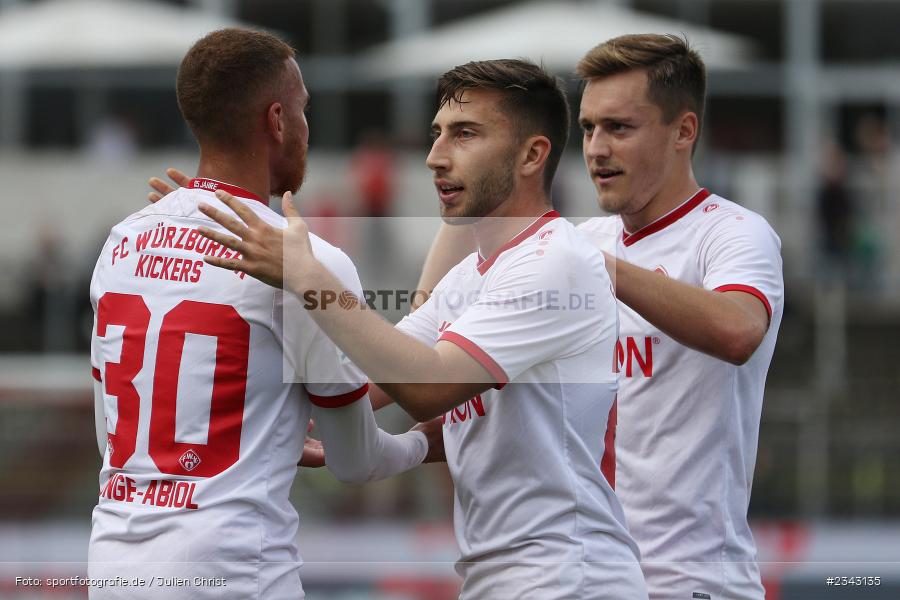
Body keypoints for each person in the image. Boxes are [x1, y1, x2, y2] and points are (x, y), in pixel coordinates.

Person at [195, 59, 647, 599]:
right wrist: (193, 245)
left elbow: (428, 386)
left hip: (570, 579)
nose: (435, 157)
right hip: (505, 576)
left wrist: (306, 277)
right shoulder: (468, 276)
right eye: (437, 134)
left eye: (465, 134)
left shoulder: (557, 260)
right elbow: (366, 379)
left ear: (533, 155)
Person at [417, 34, 784, 600]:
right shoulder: (576, 246)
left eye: (620, 127)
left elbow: (738, 331)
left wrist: (590, 264)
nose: (596, 148)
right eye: (588, 128)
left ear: (684, 131)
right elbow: (461, 367)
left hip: (692, 581)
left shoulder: (731, 232)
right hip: (584, 574)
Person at [88, 28, 432, 600]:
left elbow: (114, 435)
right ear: (276, 121)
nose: (306, 128)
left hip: (111, 565)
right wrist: (425, 442)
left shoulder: (121, 241)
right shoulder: (305, 263)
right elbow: (354, 460)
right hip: (230, 571)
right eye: (303, 111)